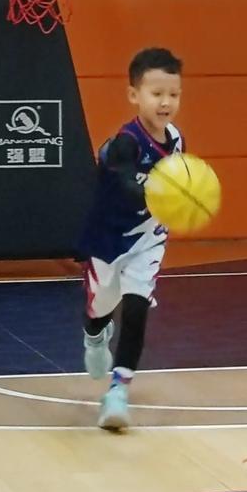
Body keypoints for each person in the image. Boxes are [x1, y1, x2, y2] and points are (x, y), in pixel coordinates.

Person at [80, 46, 183, 432]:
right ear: (134, 95)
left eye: (173, 94)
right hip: (108, 238)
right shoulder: (126, 143)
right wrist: (156, 194)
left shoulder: (176, 141)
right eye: (157, 93)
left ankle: (118, 391)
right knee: (100, 308)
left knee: (137, 307)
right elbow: (126, 184)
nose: (166, 102)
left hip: (148, 238)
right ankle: (94, 336)